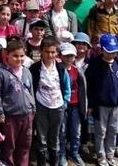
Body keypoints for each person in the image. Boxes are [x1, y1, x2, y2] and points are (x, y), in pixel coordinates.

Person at [85, 34, 118, 166]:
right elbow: (90, 87)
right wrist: (91, 104)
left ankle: (110, 155)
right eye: (108, 52)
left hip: (116, 105)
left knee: (114, 130)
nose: (111, 55)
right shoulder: (95, 65)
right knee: (101, 131)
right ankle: (101, 155)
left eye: (114, 52)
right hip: (101, 106)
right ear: (102, 49)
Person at [0, 39, 36, 166]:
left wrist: (33, 109)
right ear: (7, 55)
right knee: (8, 147)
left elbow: (31, 91)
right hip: (10, 117)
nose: (19, 59)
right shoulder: (0, 73)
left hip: (27, 115)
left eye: (22, 56)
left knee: (25, 146)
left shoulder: (27, 71)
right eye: (15, 56)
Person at [30, 37, 71, 166]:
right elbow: (31, 87)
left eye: (53, 52)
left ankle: (54, 162)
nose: (50, 55)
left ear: (57, 53)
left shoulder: (60, 69)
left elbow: (66, 87)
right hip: (41, 106)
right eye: (47, 52)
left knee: (55, 138)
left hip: (58, 107)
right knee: (41, 139)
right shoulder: (35, 68)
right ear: (41, 51)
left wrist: (65, 103)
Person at [58, 42, 87, 166]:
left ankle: (75, 152)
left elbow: (83, 89)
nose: (69, 59)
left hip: (75, 105)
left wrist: (84, 106)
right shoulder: (56, 70)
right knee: (62, 131)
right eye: (66, 56)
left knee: (76, 131)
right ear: (60, 56)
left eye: (71, 56)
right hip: (61, 105)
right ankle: (62, 154)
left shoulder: (77, 71)